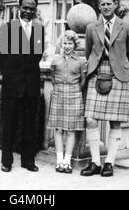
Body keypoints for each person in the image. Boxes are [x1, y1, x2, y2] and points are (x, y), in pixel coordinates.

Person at [80, 0, 129, 177]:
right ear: (99, 6)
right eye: (102, 4)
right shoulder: (91, 28)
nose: (106, 7)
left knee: (115, 121)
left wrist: (122, 67)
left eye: (109, 3)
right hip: (97, 74)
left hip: (118, 76)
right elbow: (89, 52)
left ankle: (109, 163)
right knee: (90, 119)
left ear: (115, 5)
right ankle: (95, 163)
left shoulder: (127, 27)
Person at [0, 0, 45, 172]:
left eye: (31, 9)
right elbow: (2, 58)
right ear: (19, 7)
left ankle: (28, 161)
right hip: (12, 85)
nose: (28, 11)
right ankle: (6, 161)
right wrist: (12, 77)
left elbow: (37, 56)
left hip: (31, 86)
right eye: (25, 7)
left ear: (35, 10)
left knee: (29, 125)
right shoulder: (8, 28)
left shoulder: (39, 30)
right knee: (9, 124)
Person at [48, 30, 86, 174]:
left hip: (74, 95)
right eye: (65, 43)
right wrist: (59, 88)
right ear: (61, 44)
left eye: (70, 43)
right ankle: (59, 161)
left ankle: (67, 161)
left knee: (70, 130)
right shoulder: (55, 60)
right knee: (58, 129)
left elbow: (83, 81)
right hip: (58, 94)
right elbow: (52, 77)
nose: (67, 46)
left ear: (74, 44)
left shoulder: (80, 61)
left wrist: (74, 91)